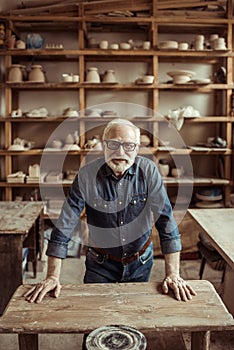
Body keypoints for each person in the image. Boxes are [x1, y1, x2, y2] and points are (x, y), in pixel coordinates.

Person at [25, 118, 196, 305]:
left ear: (137, 148)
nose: (120, 152)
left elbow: (166, 222)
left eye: (128, 146)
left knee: (136, 317)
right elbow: (66, 223)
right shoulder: (86, 175)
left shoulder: (149, 172)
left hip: (141, 262)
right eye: (113, 144)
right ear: (103, 146)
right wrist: (52, 276)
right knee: (94, 318)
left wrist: (173, 274)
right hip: (100, 265)